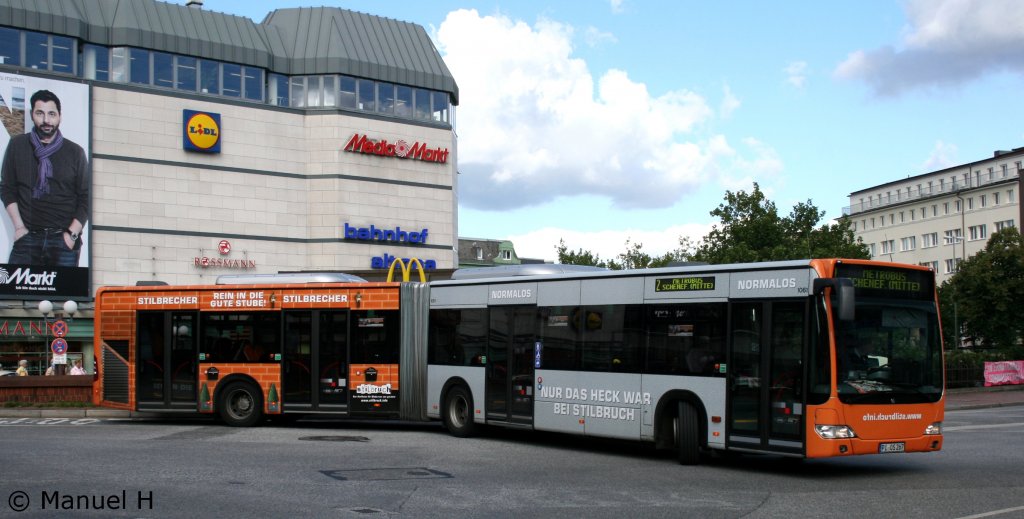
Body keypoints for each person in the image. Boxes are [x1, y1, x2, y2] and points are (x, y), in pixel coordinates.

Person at [1, 89, 89, 267]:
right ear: (32, 115)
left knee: (65, 295)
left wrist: (72, 235)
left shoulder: (75, 152)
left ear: (60, 116)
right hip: (28, 238)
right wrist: (19, 227)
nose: (46, 120)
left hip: (64, 241)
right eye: (40, 113)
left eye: (52, 114)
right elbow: (7, 188)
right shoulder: (18, 145)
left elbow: (87, 197)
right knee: (15, 293)